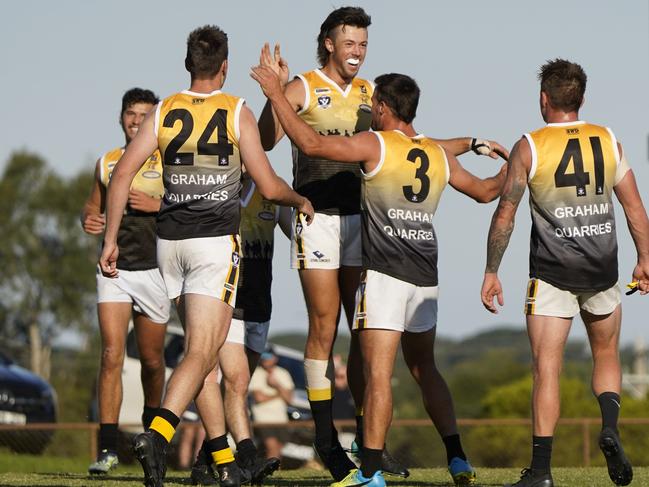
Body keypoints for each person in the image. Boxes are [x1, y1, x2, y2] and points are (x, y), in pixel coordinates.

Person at [256, 7, 507, 481]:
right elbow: (270, 140)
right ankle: (327, 439)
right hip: (318, 218)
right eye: (350, 43)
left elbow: (413, 143)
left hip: (364, 221)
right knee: (325, 326)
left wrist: (470, 141)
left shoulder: (374, 94)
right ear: (328, 43)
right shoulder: (303, 87)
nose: (357, 52)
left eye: (363, 45)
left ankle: (369, 446)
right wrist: (274, 94)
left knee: (366, 336)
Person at [99, 25, 313, 487]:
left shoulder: (164, 109)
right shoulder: (237, 111)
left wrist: (111, 238)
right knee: (202, 351)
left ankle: (226, 460)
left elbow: (120, 178)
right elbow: (269, 184)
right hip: (215, 243)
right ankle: (157, 433)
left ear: (186, 64)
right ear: (225, 67)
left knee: (207, 358)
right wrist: (299, 201)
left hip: (169, 244)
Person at [480, 59, 649, 487]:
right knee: (606, 356)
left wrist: (491, 271)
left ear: (544, 99)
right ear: (582, 98)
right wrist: (645, 259)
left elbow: (505, 214)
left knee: (547, 368)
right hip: (603, 269)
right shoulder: (607, 138)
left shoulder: (530, 146)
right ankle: (608, 426)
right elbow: (633, 207)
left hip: (552, 274)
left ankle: (541, 472)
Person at [82, 87, 170, 475]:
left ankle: (153, 444)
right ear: (121, 118)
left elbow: (192, 208)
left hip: (156, 271)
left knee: (152, 362)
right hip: (115, 271)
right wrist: (89, 220)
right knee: (111, 356)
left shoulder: (169, 161)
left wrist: (158, 205)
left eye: (145, 115)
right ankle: (106, 449)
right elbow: (92, 208)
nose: (137, 121)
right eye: (131, 114)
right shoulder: (107, 162)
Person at [189, 172, 285, 485]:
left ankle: (205, 463)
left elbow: (298, 232)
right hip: (228, 300)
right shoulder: (217, 188)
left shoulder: (273, 186)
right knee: (237, 382)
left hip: (261, 303)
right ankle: (246, 457)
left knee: (237, 391)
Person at [249, 348, 295, 460]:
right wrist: (280, 393)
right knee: (272, 448)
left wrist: (276, 385)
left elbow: (289, 399)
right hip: (263, 419)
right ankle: (272, 473)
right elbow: (259, 398)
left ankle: (273, 471)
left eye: (268, 357)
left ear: (275, 358)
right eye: (264, 357)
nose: (265, 360)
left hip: (281, 419)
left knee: (278, 448)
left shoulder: (283, 373)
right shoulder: (256, 373)